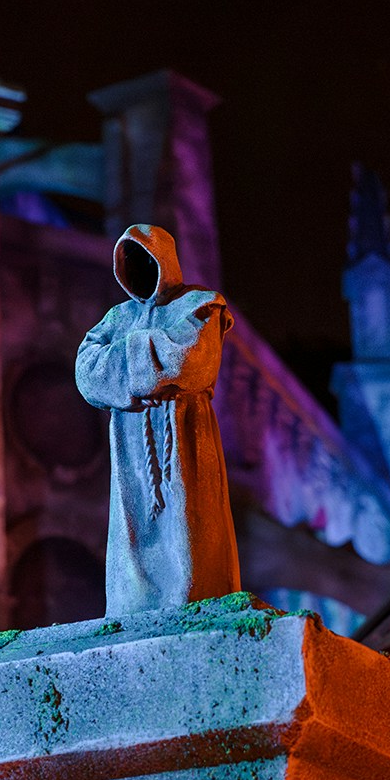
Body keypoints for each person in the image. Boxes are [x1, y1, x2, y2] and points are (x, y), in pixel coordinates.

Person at [74, 224, 241, 615]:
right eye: (129, 259)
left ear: (163, 260)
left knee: (188, 533)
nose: (138, 266)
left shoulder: (200, 306)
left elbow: (191, 361)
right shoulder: (116, 318)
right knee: (134, 537)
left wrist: (124, 368)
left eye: (144, 257)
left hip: (186, 437)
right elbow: (87, 374)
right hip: (131, 447)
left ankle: (196, 603)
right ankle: (135, 605)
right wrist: (152, 361)